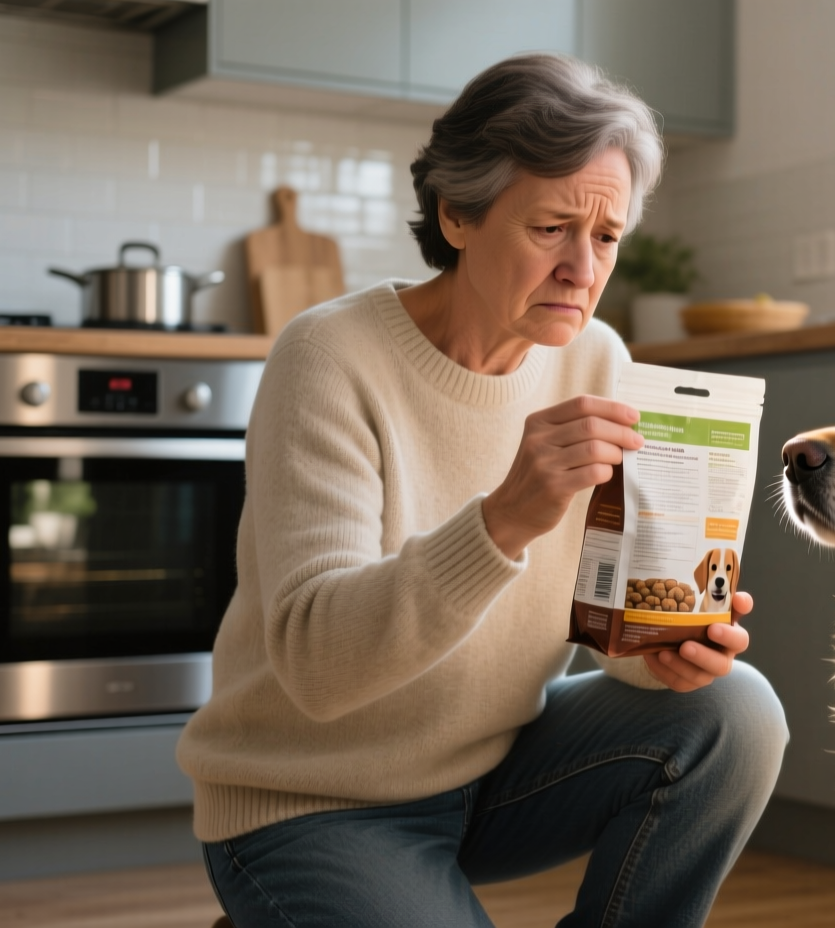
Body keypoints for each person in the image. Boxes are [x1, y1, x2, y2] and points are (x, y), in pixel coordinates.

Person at [177, 54, 788, 928]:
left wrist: (660, 653)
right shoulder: (329, 357)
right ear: (457, 214)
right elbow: (316, 668)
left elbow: (596, 624)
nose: (582, 269)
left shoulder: (597, 360)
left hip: (494, 770)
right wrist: (503, 522)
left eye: (606, 237)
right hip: (310, 797)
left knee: (735, 711)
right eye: (552, 228)